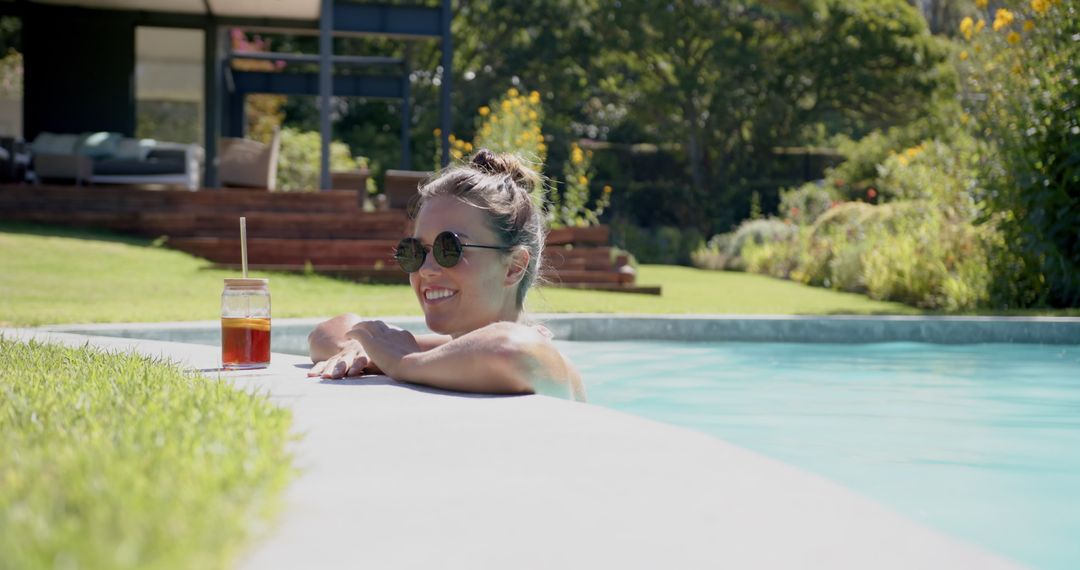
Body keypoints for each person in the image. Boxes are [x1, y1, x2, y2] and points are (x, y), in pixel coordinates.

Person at [307, 149, 586, 402]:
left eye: (448, 248)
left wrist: (403, 361)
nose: (426, 269)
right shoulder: (446, 353)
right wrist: (361, 346)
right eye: (415, 250)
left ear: (514, 266)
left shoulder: (544, 361)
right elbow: (327, 333)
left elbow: (508, 348)